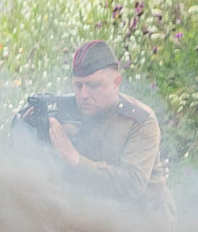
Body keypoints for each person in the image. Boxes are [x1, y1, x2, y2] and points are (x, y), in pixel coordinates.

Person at [33, 40, 172, 214]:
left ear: (116, 82)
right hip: (98, 214)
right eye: (78, 85)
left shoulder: (139, 121)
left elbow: (131, 186)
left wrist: (74, 158)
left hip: (145, 219)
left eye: (93, 85)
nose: (83, 94)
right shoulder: (69, 110)